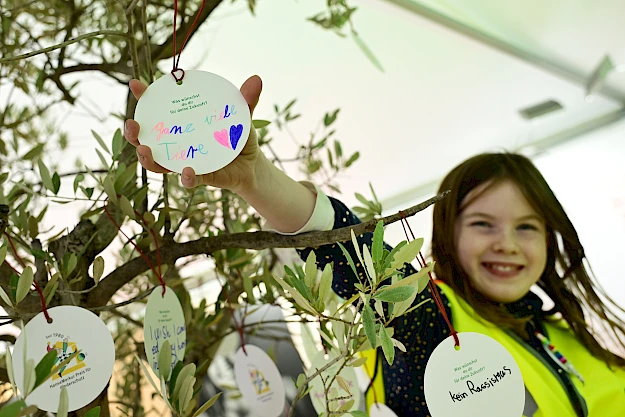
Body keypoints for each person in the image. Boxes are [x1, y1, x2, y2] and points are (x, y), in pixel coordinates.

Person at [124, 76, 625, 417]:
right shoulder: (428, 317)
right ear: (447, 233)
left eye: (527, 227)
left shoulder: (568, 332)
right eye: (483, 224)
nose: (507, 244)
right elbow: (351, 250)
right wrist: (255, 180)